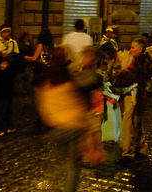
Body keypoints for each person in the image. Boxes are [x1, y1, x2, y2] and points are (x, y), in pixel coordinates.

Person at [35, 47, 103, 192]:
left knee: (68, 161)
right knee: (72, 165)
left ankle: (53, 183)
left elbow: (44, 111)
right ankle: (63, 186)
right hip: (72, 129)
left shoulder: (46, 85)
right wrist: (90, 133)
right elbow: (77, 110)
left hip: (56, 130)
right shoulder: (68, 85)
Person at [113, 38, 152, 166]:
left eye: (133, 47)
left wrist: (121, 73)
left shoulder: (141, 62)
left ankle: (127, 153)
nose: (130, 50)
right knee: (136, 121)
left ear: (140, 49)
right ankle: (141, 148)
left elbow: (132, 77)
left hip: (134, 94)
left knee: (127, 122)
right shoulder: (141, 61)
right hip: (138, 95)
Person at [0, 24, 20, 136]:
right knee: (0, 100)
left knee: (8, 100)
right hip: (0, 76)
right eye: (4, 32)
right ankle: (4, 124)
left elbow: (18, 57)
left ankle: (7, 124)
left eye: (8, 31)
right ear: (1, 33)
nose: (6, 34)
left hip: (9, 75)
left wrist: (10, 57)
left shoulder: (13, 43)